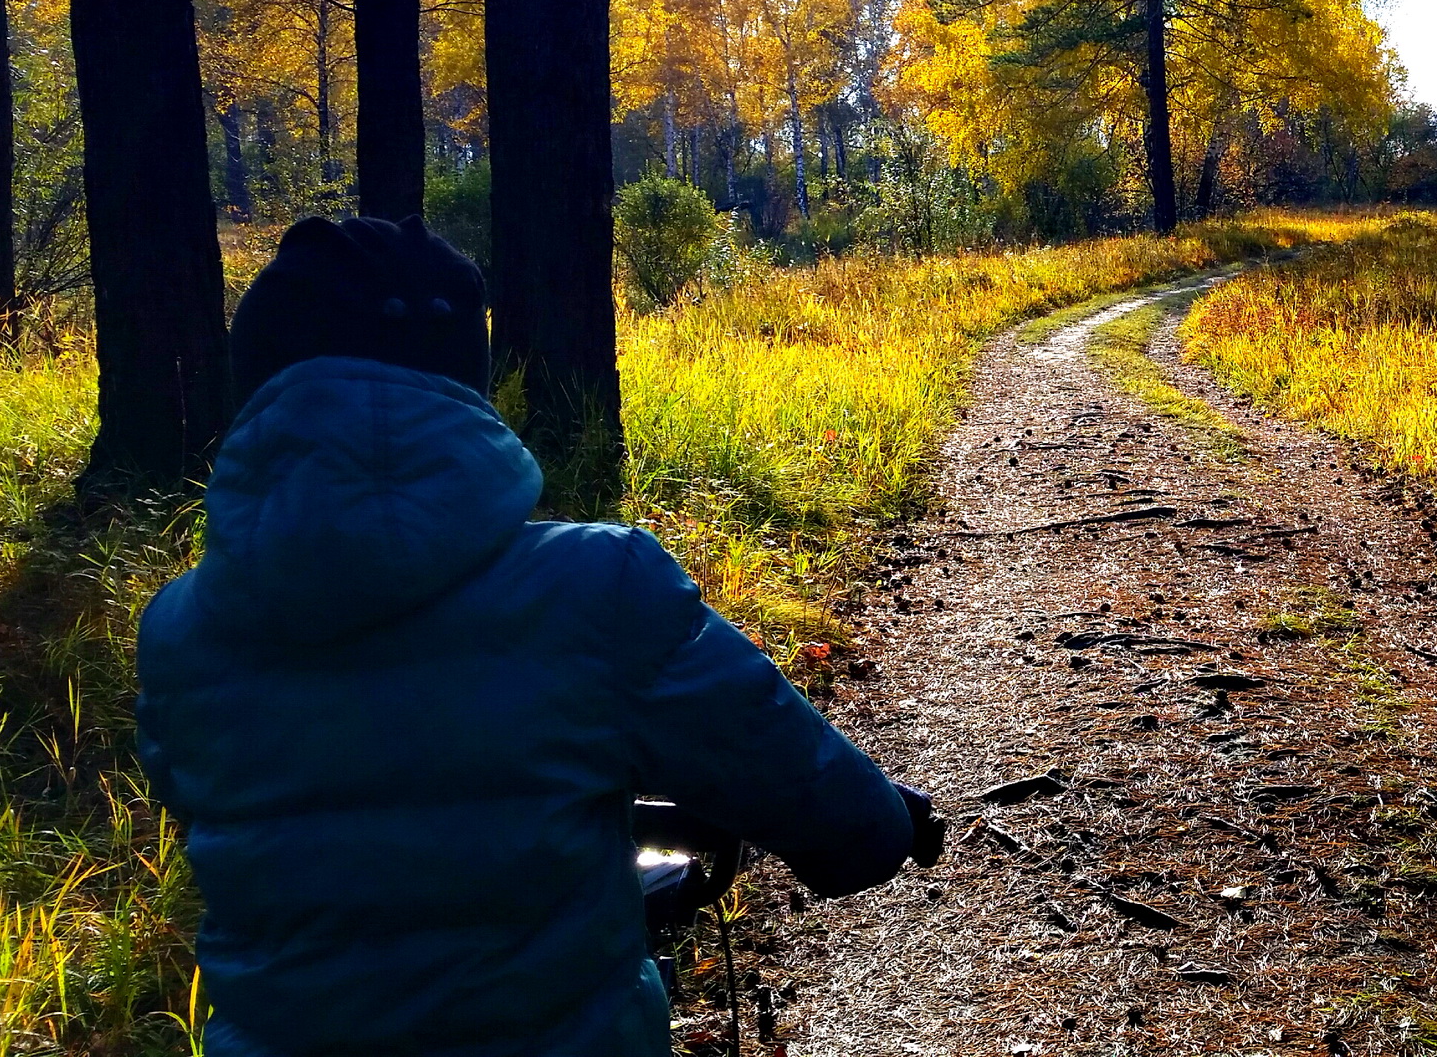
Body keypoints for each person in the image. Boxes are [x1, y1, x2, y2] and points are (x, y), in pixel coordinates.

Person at [137, 215, 938, 1055]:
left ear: (256, 382)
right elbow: (785, 765)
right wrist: (881, 826)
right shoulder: (599, 585)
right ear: (462, 378)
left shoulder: (179, 629)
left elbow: (210, 802)